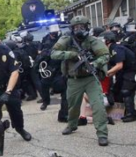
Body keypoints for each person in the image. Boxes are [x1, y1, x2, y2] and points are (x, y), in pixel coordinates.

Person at [51, 15, 110, 146]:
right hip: (74, 79)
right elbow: (54, 53)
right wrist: (71, 55)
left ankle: (102, 134)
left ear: (87, 27)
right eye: (76, 27)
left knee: (98, 106)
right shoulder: (67, 40)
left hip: (90, 79)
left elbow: (105, 55)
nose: (79, 29)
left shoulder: (92, 41)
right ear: (72, 28)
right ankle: (72, 125)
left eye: (82, 27)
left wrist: (95, 64)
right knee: (73, 106)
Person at [102, 32, 136, 122]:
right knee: (115, 90)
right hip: (124, 71)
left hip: (131, 70)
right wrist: (109, 74)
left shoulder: (116, 48)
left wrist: (106, 73)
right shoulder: (110, 49)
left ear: (107, 41)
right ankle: (120, 111)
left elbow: (119, 65)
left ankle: (131, 114)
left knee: (126, 91)